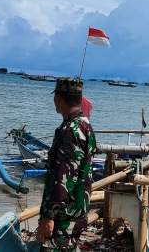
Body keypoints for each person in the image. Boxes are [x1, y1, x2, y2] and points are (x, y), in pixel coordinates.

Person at [36, 78, 97, 251]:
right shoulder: (86, 126)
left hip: (62, 216)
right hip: (78, 209)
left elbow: (63, 177)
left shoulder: (70, 130)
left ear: (59, 99)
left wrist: (49, 216)